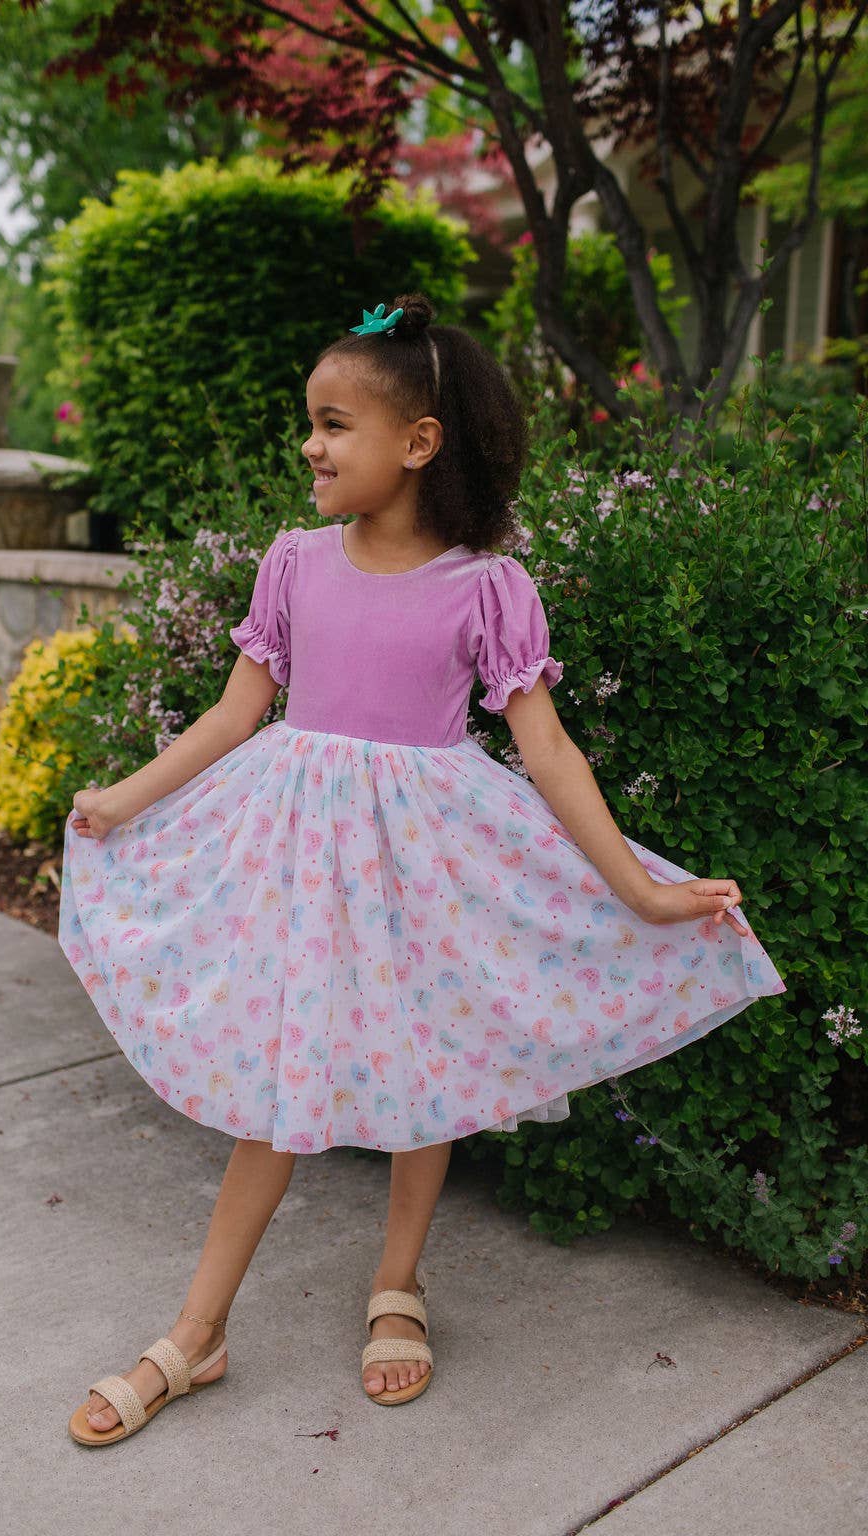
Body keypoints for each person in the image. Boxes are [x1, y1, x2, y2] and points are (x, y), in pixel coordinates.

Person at [59, 292, 786, 1443]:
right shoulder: (294, 563)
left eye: (336, 422)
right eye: (311, 420)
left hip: (426, 855)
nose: (312, 443)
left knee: (424, 1058)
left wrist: (640, 892)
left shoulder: (484, 586)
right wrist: (124, 798)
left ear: (418, 442)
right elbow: (236, 711)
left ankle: (399, 1283)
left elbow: (545, 750)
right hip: (298, 849)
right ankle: (195, 1334)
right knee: (274, 1086)